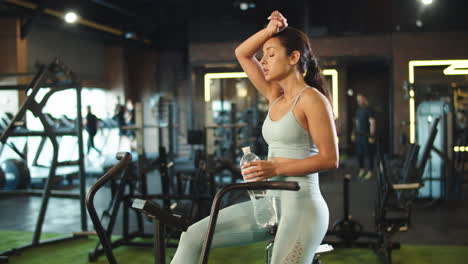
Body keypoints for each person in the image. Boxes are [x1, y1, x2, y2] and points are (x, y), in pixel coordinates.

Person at [170, 10, 338, 264]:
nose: (264, 59)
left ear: (294, 57)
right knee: (192, 237)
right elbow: (242, 53)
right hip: (270, 203)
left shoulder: (313, 99)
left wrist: (275, 166)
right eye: (264, 54)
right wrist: (270, 31)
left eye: (271, 54)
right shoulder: (276, 96)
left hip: (302, 207)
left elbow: (330, 159)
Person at [354, 93, 376, 180]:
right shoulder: (358, 110)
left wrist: (372, 135)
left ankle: (370, 171)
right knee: (360, 153)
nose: (358, 100)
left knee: (369, 154)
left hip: (367, 135)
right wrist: (354, 132)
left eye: (360, 99)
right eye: (357, 99)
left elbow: (372, 122)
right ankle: (362, 170)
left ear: (364, 99)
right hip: (359, 135)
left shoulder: (369, 110)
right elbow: (357, 122)